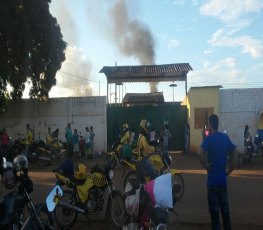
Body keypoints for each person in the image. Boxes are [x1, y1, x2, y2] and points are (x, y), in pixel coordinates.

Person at [197, 114, 237, 230]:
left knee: (214, 216)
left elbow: (199, 153)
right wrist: (231, 168)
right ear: (218, 124)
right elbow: (235, 152)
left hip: (212, 183)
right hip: (222, 181)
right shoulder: (225, 137)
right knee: (225, 213)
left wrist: (206, 166)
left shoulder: (208, 139)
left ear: (210, 125)